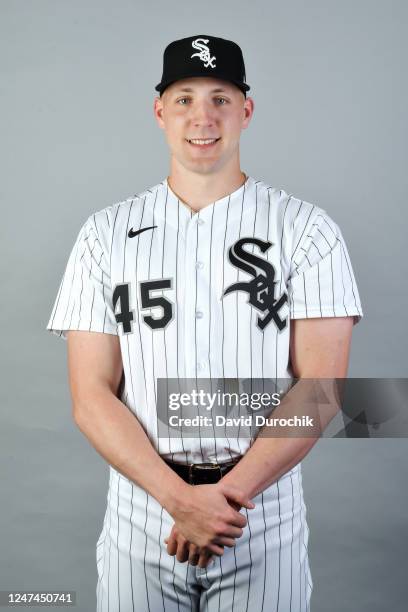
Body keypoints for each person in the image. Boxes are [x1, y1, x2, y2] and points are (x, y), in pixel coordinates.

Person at [46, 34, 363, 612]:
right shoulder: (104, 234)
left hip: (260, 513)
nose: (203, 116)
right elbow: (91, 396)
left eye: (220, 98)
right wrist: (179, 501)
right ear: (159, 111)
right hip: (144, 509)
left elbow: (322, 391)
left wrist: (224, 500)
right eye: (185, 98)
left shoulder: (307, 230)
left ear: (245, 110)